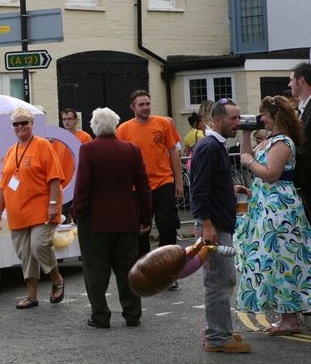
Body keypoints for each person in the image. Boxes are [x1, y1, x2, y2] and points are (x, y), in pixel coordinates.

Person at [71, 107, 151, 329]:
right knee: (128, 269)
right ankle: (132, 314)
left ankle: (100, 315)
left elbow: (83, 186)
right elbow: (143, 186)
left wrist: (77, 211)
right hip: (126, 217)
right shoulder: (132, 149)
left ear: (94, 127)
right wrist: (145, 217)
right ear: (115, 125)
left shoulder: (88, 150)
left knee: (95, 269)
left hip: (95, 219)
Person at [237, 96, 311, 335]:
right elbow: (245, 158)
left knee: (282, 260)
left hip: (279, 208)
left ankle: (290, 319)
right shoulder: (270, 140)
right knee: (274, 261)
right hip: (267, 205)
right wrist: (245, 135)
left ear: (276, 116)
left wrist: (250, 162)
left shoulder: (283, 142)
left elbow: (271, 174)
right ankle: (286, 317)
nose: (262, 119)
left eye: (265, 115)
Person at [190, 98, 251, 353]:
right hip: (213, 224)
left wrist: (230, 188)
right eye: (233, 118)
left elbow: (210, 183)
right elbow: (199, 190)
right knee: (219, 281)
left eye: (238, 117)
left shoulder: (215, 145)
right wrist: (206, 225)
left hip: (217, 222)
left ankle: (221, 330)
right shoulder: (210, 147)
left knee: (223, 279)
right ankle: (217, 338)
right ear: (217, 120)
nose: (238, 123)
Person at [0, 107, 66, 309]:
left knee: (39, 245)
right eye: (16, 124)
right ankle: (32, 296)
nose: (20, 127)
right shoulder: (11, 150)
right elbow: (4, 185)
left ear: (32, 124)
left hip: (41, 209)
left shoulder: (42, 145)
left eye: (24, 122)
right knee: (26, 255)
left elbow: (54, 178)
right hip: (17, 213)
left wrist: (53, 204)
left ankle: (57, 279)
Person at [116, 90, 183, 274]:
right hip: (137, 188)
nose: (146, 107)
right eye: (141, 105)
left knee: (168, 226)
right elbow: (119, 159)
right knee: (140, 232)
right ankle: (145, 272)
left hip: (163, 182)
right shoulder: (123, 130)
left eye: (148, 104)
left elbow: (173, 152)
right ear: (133, 107)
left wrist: (178, 182)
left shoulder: (163, 123)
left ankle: (167, 271)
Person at [55, 108, 93, 222]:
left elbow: (90, 160)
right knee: (62, 218)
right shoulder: (58, 139)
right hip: (63, 186)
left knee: (80, 218)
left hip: (79, 184)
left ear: (76, 120)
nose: (67, 122)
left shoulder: (85, 137)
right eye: (64, 119)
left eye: (70, 119)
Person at [288, 62, 311, 221]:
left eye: (291, 80)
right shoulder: (303, 109)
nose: (289, 84)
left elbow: (306, 147)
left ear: (301, 80)